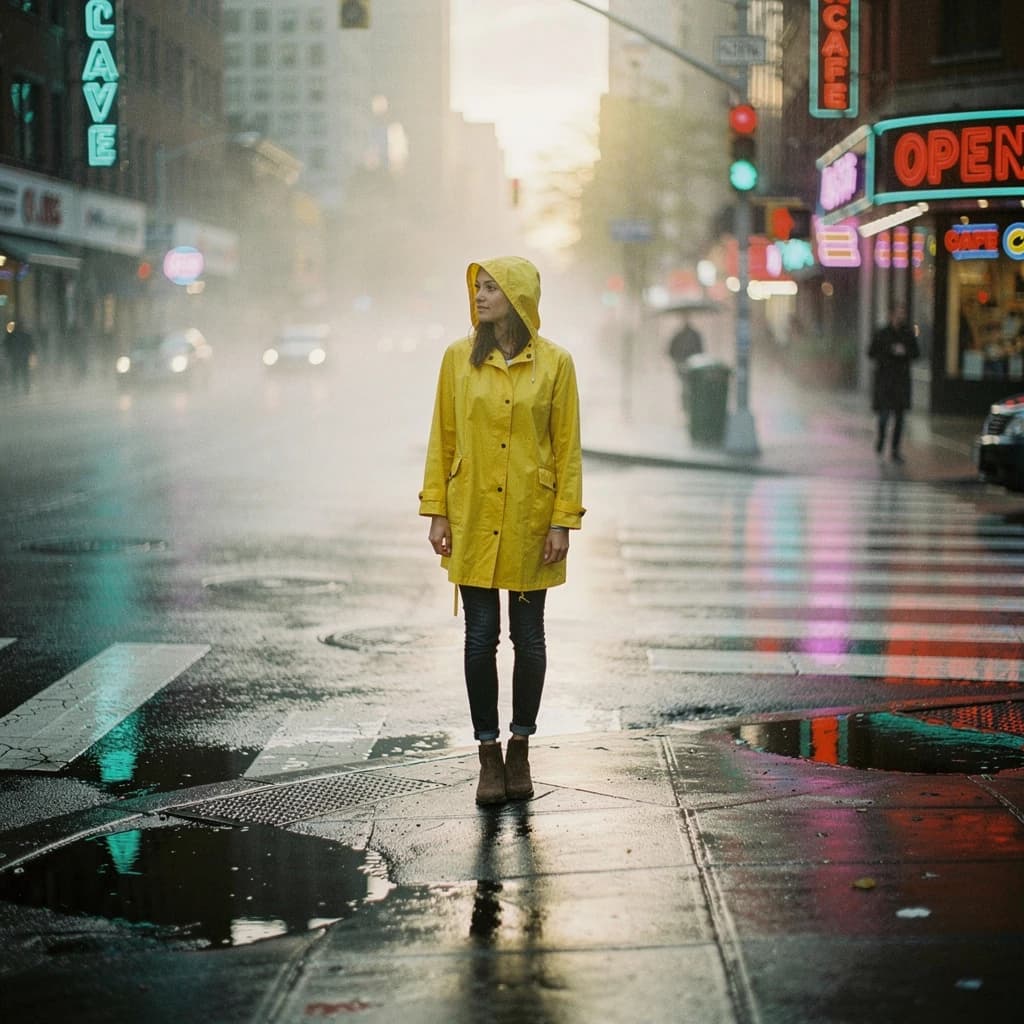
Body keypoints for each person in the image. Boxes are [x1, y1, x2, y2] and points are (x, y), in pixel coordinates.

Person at [419, 257, 585, 806]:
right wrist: (437, 510)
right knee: (480, 636)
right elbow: (442, 437)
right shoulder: (457, 358)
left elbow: (567, 447)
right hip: (471, 514)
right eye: (478, 287)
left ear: (517, 298)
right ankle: (488, 754)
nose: (480, 296)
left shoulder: (557, 363)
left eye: (491, 288)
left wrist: (563, 520)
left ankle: (521, 747)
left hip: (532, 521)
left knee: (529, 637)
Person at [868, 303, 919, 463]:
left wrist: (904, 352)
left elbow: (916, 353)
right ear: (891, 315)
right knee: (884, 416)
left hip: (901, 382)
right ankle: (881, 439)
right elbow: (871, 352)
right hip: (885, 381)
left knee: (899, 418)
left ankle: (895, 450)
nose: (900, 316)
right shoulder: (882, 333)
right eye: (898, 313)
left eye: (902, 313)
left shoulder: (907, 334)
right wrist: (888, 352)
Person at [667, 316, 704, 409]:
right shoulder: (687, 335)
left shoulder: (682, 335)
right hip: (686, 364)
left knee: (686, 385)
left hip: (691, 364)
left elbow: (670, 351)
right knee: (687, 385)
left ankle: (687, 405)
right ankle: (687, 405)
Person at [4, 320, 36, 394]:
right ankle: (25, 389)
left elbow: (6, 345)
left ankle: (16, 388)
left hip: (15, 357)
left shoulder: (11, 336)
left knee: (16, 374)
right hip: (23, 357)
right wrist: (31, 353)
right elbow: (31, 345)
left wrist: (8, 353)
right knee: (24, 373)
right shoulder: (26, 335)